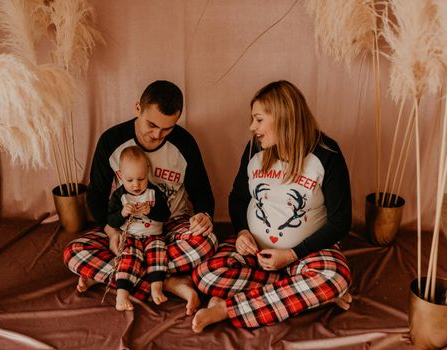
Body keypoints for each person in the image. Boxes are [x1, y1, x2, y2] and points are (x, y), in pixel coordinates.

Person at [191, 80, 352, 332]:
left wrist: (291, 255)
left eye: (258, 119)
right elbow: (238, 198)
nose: (252, 127)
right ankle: (300, 292)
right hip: (255, 254)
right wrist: (243, 231)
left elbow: (341, 220)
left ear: (282, 117)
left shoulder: (326, 153)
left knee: (334, 277)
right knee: (205, 275)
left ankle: (227, 309)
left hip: (306, 255)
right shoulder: (255, 149)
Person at [63, 80, 217, 315]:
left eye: (167, 128)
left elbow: (203, 193)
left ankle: (122, 276)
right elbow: (96, 195)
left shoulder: (184, 143)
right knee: (74, 253)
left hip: (171, 226)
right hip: (125, 229)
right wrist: (111, 231)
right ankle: (167, 282)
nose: (157, 134)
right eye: (152, 124)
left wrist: (204, 216)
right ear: (138, 109)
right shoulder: (111, 141)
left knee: (207, 244)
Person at [106, 146, 171, 311]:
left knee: (158, 253)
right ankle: (122, 293)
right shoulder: (119, 196)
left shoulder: (154, 192)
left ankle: (156, 286)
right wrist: (122, 213)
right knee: (128, 257)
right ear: (120, 175)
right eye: (129, 180)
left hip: (153, 235)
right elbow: (111, 221)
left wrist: (151, 211)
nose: (136, 185)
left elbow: (165, 215)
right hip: (131, 236)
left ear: (147, 172)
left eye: (141, 179)